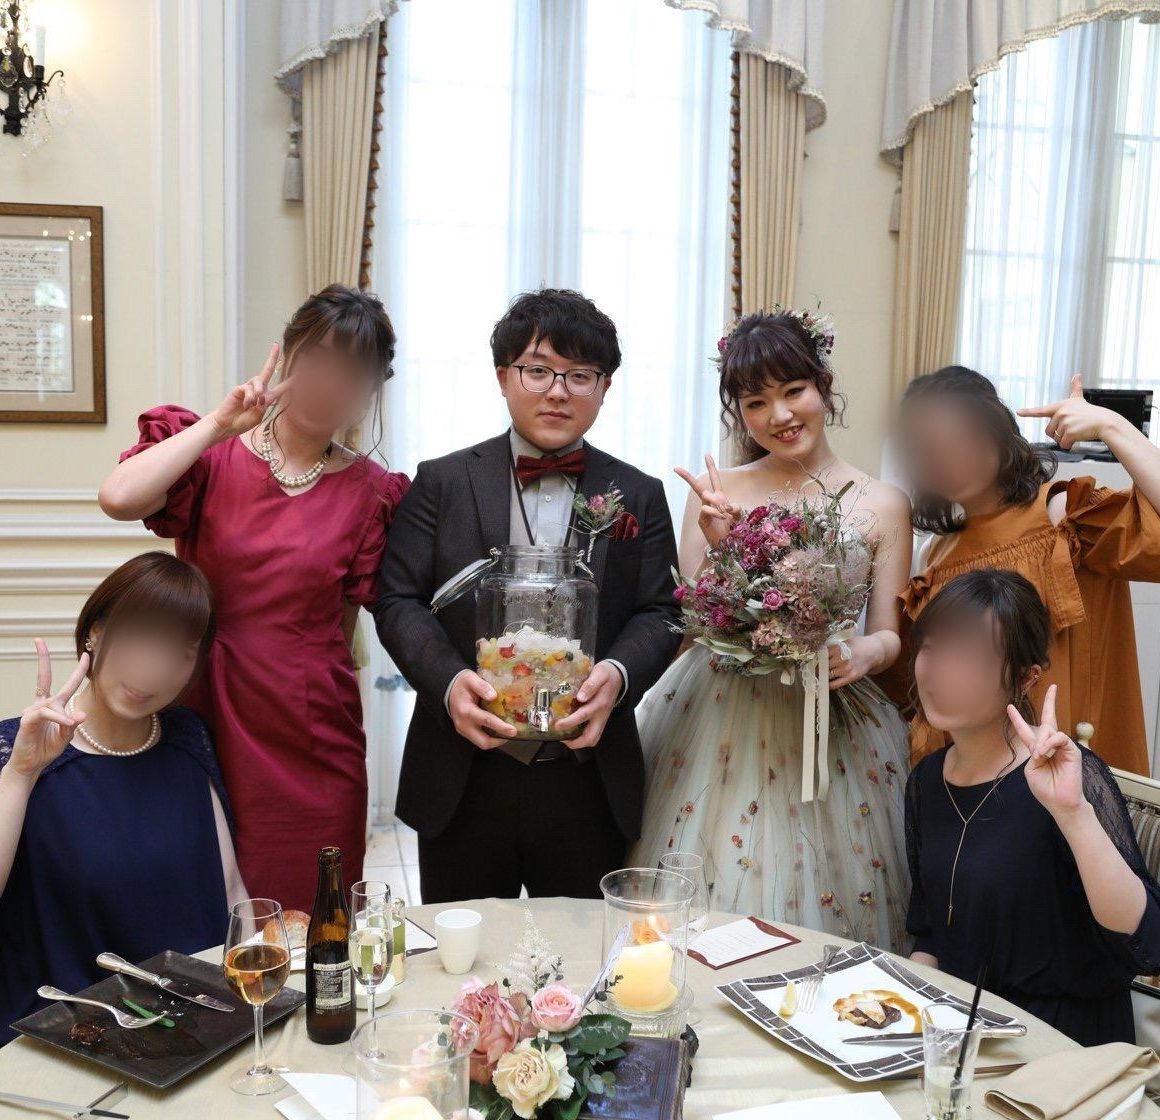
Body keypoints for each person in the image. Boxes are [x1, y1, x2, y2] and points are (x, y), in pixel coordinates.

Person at [98, 285, 410, 910]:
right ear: (288, 355)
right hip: (199, 703)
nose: (330, 383)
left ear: (372, 389)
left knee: (312, 911)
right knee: (197, 901)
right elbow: (119, 498)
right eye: (318, 358)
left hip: (310, 728)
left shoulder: (374, 493)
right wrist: (217, 426)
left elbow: (343, 623)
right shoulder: (211, 455)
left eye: (353, 372)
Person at [374, 288, 682, 902]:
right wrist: (449, 684)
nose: (557, 391)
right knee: (462, 950)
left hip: (586, 774)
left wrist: (618, 676)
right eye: (537, 370)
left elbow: (662, 611)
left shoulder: (640, 493)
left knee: (581, 952)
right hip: (463, 768)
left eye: (580, 375)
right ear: (503, 377)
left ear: (605, 387)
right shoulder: (442, 480)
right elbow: (398, 600)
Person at [629, 310, 914, 952]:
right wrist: (722, 544)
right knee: (714, 884)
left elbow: (890, 633)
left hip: (832, 716)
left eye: (793, 391)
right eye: (756, 402)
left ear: (823, 386)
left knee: (830, 890)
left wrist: (864, 652)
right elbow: (693, 621)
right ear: (740, 413)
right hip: (721, 715)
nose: (779, 415)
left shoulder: (884, 502)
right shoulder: (717, 492)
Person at [905, 568, 1160, 1046]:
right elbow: (929, 932)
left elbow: (1147, 942)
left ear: (1026, 676)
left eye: (972, 657)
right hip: (963, 1028)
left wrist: (1072, 812)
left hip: (1060, 1037)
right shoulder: (926, 780)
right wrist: (912, 1014)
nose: (941, 673)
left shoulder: (1066, 774)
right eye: (934, 650)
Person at [0, 552, 244, 1044]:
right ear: (95, 631)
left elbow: (233, 893)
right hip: (69, 1034)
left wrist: (249, 1006)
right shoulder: (18, 749)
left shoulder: (187, 737)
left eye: (179, 653)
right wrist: (21, 774)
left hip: (195, 1025)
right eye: (139, 640)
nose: (152, 671)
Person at [898, 367, 1160, 774]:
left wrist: (1112, 426)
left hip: (1068, 770)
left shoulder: (1063, 515)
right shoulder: (934, 556)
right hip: (970, 782)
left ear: (997, 434)